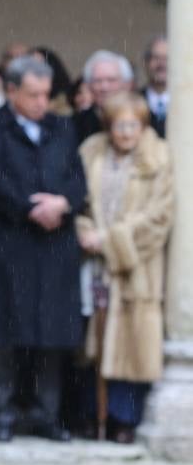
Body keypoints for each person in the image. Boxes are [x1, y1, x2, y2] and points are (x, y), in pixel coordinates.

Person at [0, 56, 86, 443]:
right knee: (2, 331)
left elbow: (77, 179)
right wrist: (28, 207)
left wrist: (62, 204)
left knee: (50, 333)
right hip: (7, 241)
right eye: (32, 94)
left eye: (45, 95)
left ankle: (45, 412)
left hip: (54, 245)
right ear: (12, 91)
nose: (40, 102)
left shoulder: (63, 128)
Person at [76, 92, 172, 443]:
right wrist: (86, 232)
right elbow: (78, 201)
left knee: (131, 340)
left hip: (136, 265)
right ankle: (91, 413)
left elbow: (160, 215)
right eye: (119, 125)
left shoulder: (158, 157)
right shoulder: (92, 152)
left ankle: (124, 418)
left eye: (133, 125)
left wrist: (113, 241)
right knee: (92, 342)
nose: (126, 133)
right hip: (93, 262)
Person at [73, 50, 134, 144]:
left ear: (127, 85)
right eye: (97, 81)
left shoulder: (143, 120)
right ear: (89, 86)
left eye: (111, 80)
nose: (104, 87)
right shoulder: (75, 124)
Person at [141, 35, 168, 138]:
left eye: (167, 58)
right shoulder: (133, 100)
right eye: (156, 58)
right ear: (146, 63)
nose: (161, 64)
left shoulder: (188, 102)